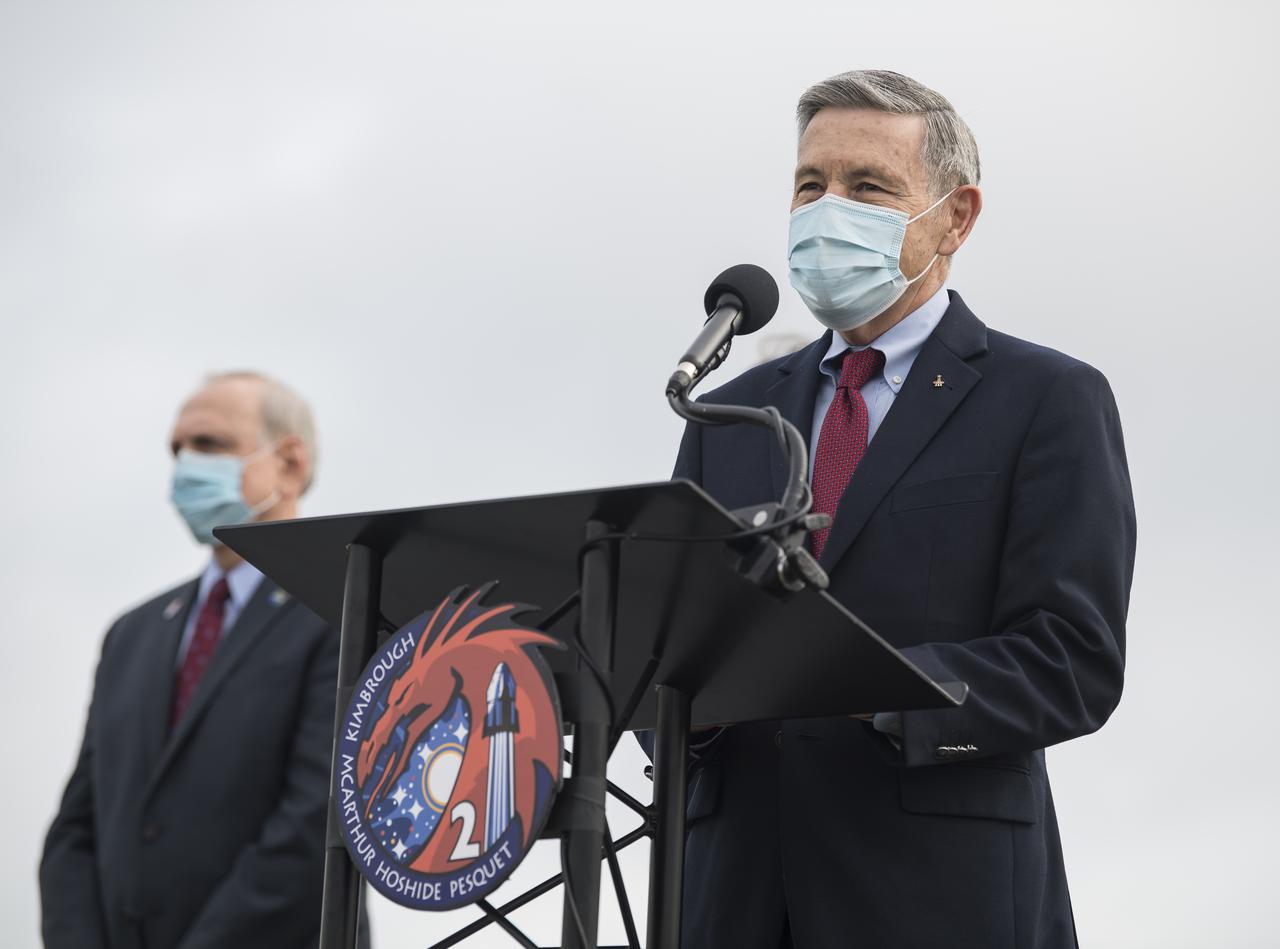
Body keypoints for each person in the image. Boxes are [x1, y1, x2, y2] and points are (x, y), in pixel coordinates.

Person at [664, 71, 1136, 948]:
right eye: (811, 184)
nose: (827, 208)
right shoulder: (727, 414)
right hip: (732, 896)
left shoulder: (1047, 399)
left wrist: (872, 689)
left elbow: (1072, 659)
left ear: (955, 218)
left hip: (940, 897)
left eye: (868, 186)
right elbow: (678, 666)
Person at [41, 372, 356, 949]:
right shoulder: (132, 634)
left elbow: (317, 821)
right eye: (177, 449)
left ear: (289, 463)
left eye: (208, 445)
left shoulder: (346, 613)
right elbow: (76, 830)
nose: (185, 464)